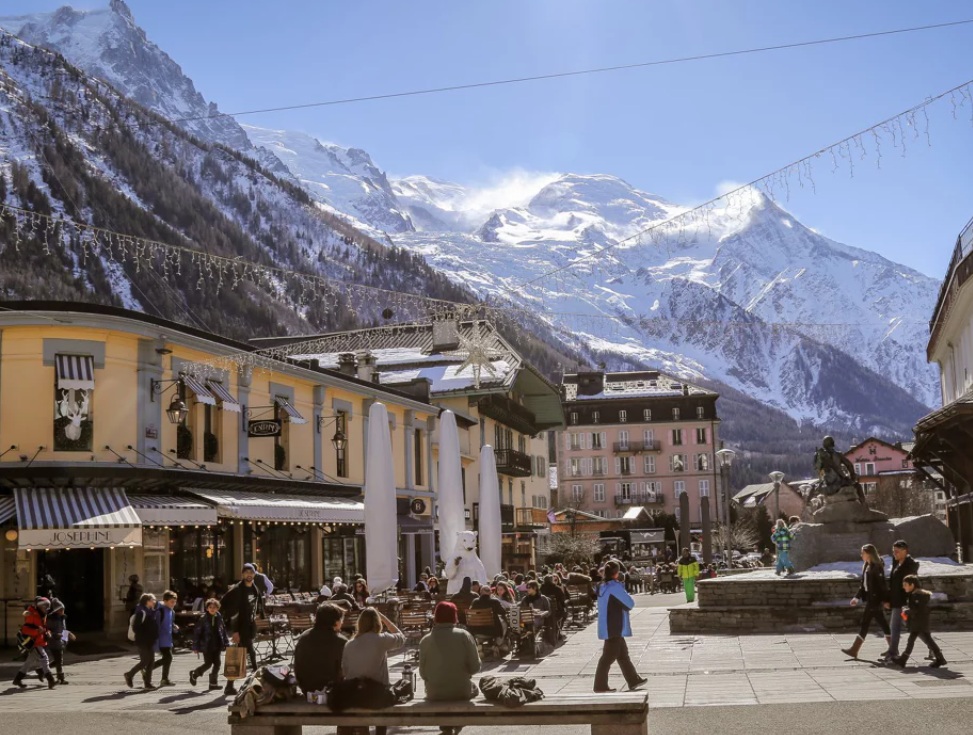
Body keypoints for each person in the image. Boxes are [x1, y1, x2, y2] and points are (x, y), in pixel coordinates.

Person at [341, 608, 406, 735]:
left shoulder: (349, 644)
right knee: (386, 698)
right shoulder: (381, 639)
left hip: (355, 694)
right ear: (378, 623)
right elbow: (402, 638)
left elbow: (345, 672)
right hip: (377, 694)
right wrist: (385, 619)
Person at [419, 602, 481, 734]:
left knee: (439, 690)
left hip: (435, 693)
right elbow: (475, 668)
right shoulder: (464, 636)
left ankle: (446, 727)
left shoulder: (425, 640)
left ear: (435, 617)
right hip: (460, 691)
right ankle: (457, 723)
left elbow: (423, 673)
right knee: (473, 689)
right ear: (455, 616)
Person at [593, 561, 646, 693]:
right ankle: (600, 686)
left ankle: (633, 680)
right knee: (608, 657)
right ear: (616, 573)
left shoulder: (602, 586)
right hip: (615, 625)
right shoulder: (614, 587)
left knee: (623, 655)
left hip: (607, 625)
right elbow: (629, 603)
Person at [220, 563, 264, 693]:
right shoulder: (237, 590)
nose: (249, 574)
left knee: (239, 657)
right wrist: (234, 631)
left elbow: (257, 605)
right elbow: (229, 608)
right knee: (250, 655)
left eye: (251, 572)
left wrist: (258, 615)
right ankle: (258, 683)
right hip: (240, 627)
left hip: (249, 626)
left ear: (255, 574)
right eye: (246, 572)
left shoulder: (254, 589)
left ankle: (230, 686)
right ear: (242, 574)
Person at [841, 544, 890, 660]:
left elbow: (882, 585)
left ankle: (854, 650)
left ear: (869, 553)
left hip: (875, 601)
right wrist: (856, 598)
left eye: (863, 553)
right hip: (871, 600)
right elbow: (863, 586)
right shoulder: (867, 566)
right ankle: (893, 649)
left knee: (866, 624)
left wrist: (886, 600)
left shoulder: (877, 566)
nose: (861, 555)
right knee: (881, 624)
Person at [892, 575, 947, 668]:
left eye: (905, 584)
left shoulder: (917, 596)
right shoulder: (918, 595)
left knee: (913, 640)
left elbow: (917, 609)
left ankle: (903, 659)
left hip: (918, 622)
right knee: (928, 641)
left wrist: (907, 611)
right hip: (921, 621)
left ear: (912, 585)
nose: (904, 587)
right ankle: (940, 658)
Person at [294, 602, 347, 695]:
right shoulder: (341, 642)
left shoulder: (304, 637)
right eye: (341, 619)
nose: (342, 622)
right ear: (335, 621)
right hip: (331, 690)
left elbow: (297, 667)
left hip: (307, 688)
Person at [882, 540, 919, 663]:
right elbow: (893, 584)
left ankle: (934, 649)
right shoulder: (897, 563)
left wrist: (910, 601)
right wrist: (888, 599)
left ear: (905, 551)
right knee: (895, 627)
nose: (894, 553)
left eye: (897, 551)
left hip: (906, 602)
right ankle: (892, 653)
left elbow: (912, 585)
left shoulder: (910, 565)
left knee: (916, 628)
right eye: (893, 551)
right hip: (897, 601)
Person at [13, 597, 55, 689]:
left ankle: (17, 679)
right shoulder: (32, 615)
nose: (47, 608)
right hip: (34, 642)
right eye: (45, 606)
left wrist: (48, 632)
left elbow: (44, 627)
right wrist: (37, 632)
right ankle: (50, 679)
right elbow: (25, 629)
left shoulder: (43, 615)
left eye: (48, 606)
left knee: (29, 662)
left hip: (40, 640)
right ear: (39, 606)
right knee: (44, 658)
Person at [189, 598, 230, 691]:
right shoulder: (203, 619)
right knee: (208, 663)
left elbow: (223, 631)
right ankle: (195, 673)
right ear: (207, 608)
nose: (212, 609)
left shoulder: (219, 617)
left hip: (217, 644)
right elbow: (197, 633)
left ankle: (213, 683)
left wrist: (227, 643)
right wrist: (195, 646)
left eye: (214, 607)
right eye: (210, 607)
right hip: (207, 645)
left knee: (217, 663)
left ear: (217, 608)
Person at [125, 593, 160, 690]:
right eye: (153, 600)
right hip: (143, 641)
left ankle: (148, 683)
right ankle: (129, 674)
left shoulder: (150, 611)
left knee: (151, 662)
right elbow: (136, 627)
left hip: (150, 641)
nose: (155, 601)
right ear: (147, 601)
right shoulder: (141, 612)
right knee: (145, 661)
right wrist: (145, 635)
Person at [151, 590, 179, 686]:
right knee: (168, 657)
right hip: (161, 639)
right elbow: (156, 626)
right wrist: (155, 641)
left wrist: (174, 627)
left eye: (175, 601)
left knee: (168, 658)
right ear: (165, 601)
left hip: (168, 639)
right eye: (172, 601)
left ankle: (164, 679)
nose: (173, 604)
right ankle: (149, 669)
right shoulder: (160, 611)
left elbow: (170, 623)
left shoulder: (172, 611)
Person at [470, 585, 508, 650]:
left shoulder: (475, 602)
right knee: (504, 623)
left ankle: (486, 647)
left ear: (480, 592)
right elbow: (503, 612)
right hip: (492, 630)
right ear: (490, 592)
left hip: (477, 629)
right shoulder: (494, 601)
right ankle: (498, 644)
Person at [45, 598, 69, 686]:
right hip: (54, 642)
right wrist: (55, 635)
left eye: (63, 609)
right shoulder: (51, 619)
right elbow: (48, 631)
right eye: (61, 609)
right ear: (56, 610)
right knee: (59, 661)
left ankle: (42, 669)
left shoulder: (62, 618)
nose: (62, 611)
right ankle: (61, 678)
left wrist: (65, 641)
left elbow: (65, 630)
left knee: (57, 660)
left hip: (60, 642)